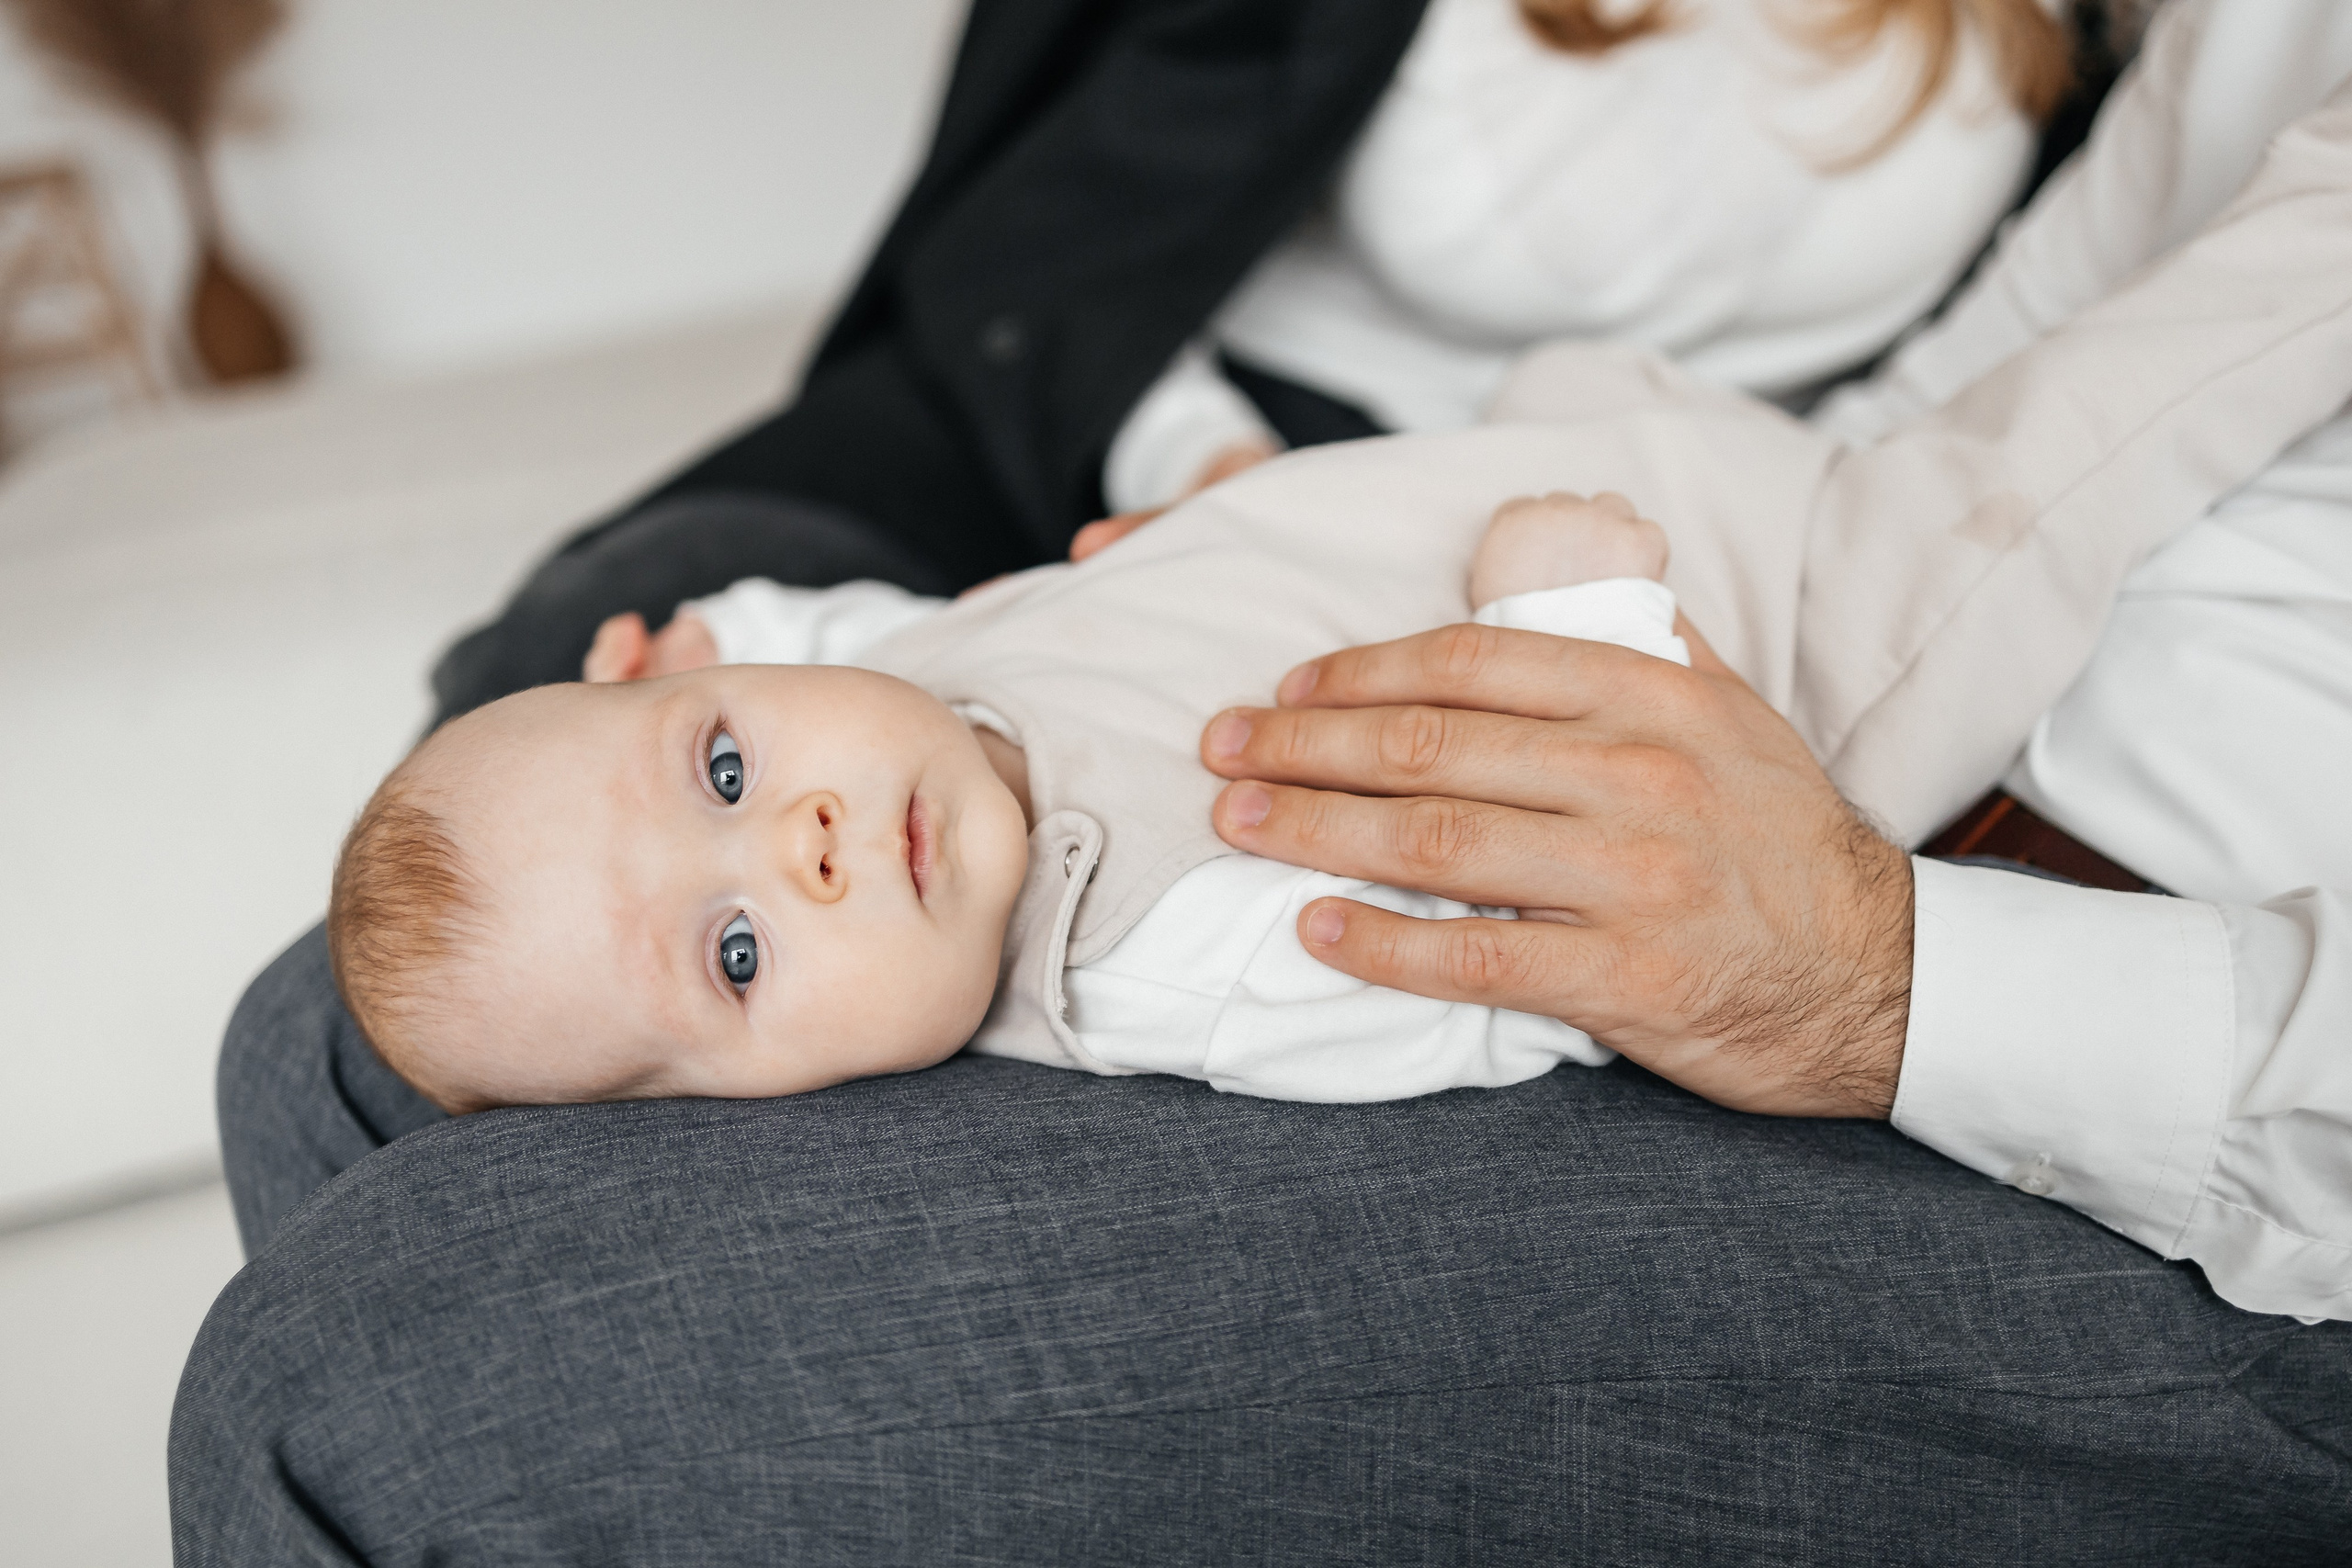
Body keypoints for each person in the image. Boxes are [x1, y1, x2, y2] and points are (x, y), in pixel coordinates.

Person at [430, 0, 2102, 724]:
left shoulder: (2057, 57)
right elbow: (1061, 219)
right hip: (1111, 408)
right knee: (562, 686)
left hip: (1496, 549)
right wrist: (1210, 481)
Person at [326, 497, 1679, 1113]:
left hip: (1504, 454)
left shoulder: (895, 691)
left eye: (725, 770)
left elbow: (833, 635)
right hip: (1742, 644)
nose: (804, 843)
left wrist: (711, 635)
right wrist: (1585, 624)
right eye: (737, 954)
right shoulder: (1183, 961)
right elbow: (1547, 965)